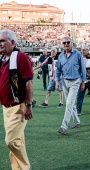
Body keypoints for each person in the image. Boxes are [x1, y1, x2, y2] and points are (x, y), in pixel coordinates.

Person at [0, 29, 33, 169]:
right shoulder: (2, 59)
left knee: (11, 141)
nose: (0, 44)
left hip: (18, 106)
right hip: (5, 107)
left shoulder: (20, 57)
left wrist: (29, 105)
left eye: (2, 41)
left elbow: (28, 83)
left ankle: (26, 167)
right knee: (17, 140)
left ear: (12, 42)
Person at [55, 36, 86, 134]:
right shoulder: (60, 56)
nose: (66, 44)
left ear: (71, 43)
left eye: (68, 42)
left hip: (75, 81)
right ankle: (77, 121)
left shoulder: (77, 54)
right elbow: (58, 70)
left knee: (69, 103)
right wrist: (56, 81)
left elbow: (83, 68)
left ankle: (64, 126)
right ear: (62, 44)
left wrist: (83, 82)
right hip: (64, 81)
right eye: (64, 43)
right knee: (71, 104)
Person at [76, 45, 90, 115]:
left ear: (88, 50)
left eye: (85, 50)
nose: (83, 51)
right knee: (80, 95)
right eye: (82, 50)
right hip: (82, 80)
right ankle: (78, 110)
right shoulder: (80, 58)